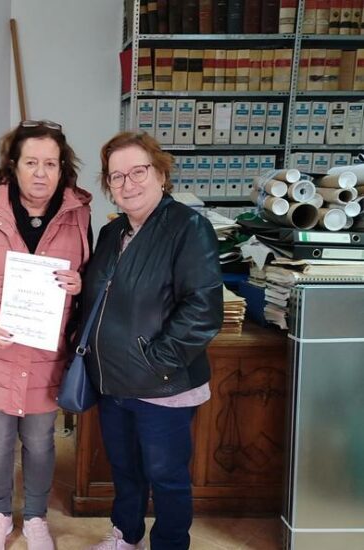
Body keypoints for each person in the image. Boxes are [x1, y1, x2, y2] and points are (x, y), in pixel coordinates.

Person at [0, 120, 92, 550]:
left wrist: (80, 284)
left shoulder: (78, 215)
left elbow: (91, 275)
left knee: (40, 440)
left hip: (47, 353)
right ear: (13, 165)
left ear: (62, 168)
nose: (41, 173)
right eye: (31, 162)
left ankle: (34, 518)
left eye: (51, 163)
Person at [83, 132, 223, 550]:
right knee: (124, 469)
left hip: (164, 385)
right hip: (114, 383)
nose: (129, 184)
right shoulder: (111, 235)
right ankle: (126, 535)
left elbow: (202, 309)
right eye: (117, 176)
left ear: (161, 173)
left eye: (138, 171)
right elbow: (101, 298)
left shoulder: (188, 226)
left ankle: (169, 543)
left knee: (167, 476)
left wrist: (156, 362)